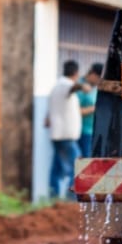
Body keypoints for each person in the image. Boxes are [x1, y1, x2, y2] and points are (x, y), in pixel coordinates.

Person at [45, 59, 83, 199]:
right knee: (77, 165)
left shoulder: (56, 86)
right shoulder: (65, 85)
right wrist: (81, 87)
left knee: (57, 167)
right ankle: (71, 197)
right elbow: (72, 88)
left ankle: (53, 195)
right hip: (65, 135)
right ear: (76, 73)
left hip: (58, 134)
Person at [76, 63, 103, 157]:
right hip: (82, 132)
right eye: (98, 78)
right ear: (93, 74)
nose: (99, 81)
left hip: (93, 131)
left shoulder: (95, 88)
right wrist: (94, 109)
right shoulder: (79, 87)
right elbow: (74, 111)